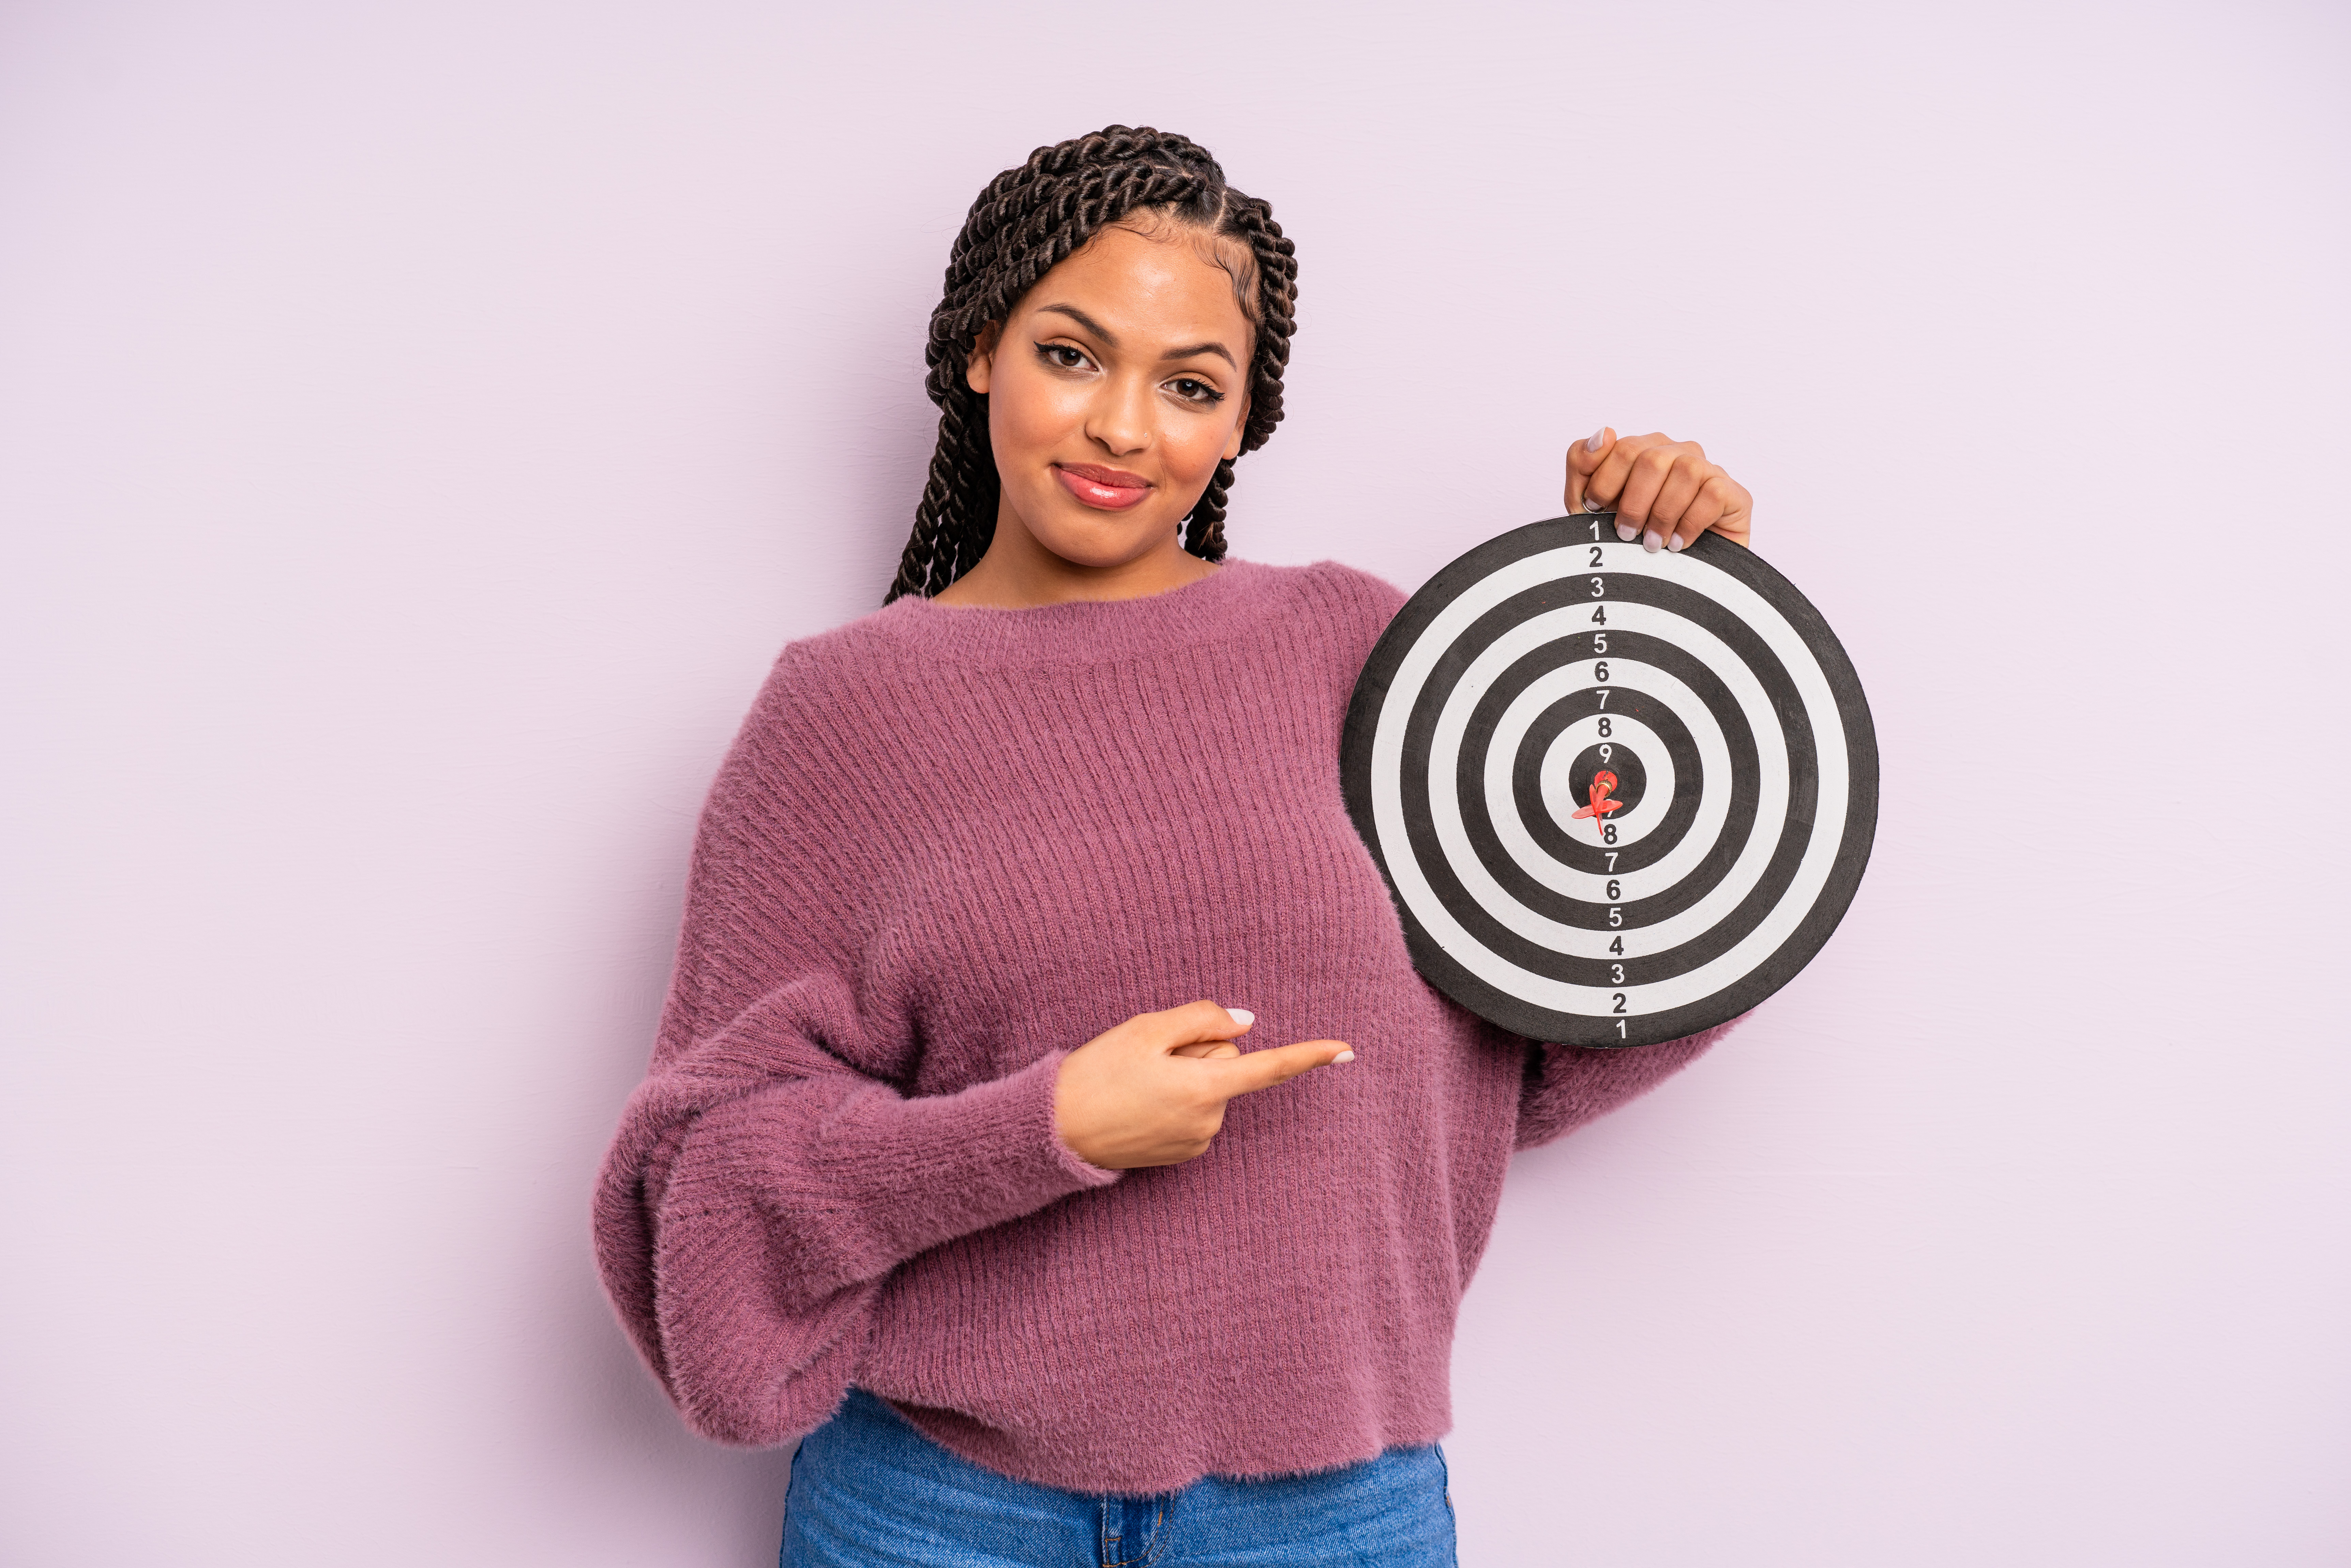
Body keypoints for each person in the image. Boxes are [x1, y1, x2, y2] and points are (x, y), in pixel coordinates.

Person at [593, 125, 1758, 1567]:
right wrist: (1042, 1132)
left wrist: (1662, 618)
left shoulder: (1361, 651)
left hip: (1335, 1515)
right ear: (978, 352)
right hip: (941, 1509)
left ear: (1239, 424)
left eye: (1189, 383)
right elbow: (708, 1220)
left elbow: (1575, 1020)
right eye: (1074, 354)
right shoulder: (841, 716)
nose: (1124, 427)